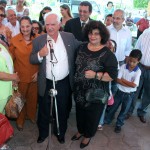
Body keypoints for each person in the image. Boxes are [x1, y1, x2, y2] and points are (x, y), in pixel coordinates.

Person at [30, 12, 81, 144]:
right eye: (47, 24)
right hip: (46, 82)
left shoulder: (69, 37)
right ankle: (43, 133)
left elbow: (81, 45)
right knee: (44, 110)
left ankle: (60, 132)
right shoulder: (38, 40)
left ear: (59, 24)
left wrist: (101, 43)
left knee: (62, 108)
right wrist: (40, 54)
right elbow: (32, 58)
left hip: (64, 82)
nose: (50, 27)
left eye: (53, 24)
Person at [71, 21, 118, 149]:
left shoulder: (107, 54)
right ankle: (80, 131)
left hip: (96, 94)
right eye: (91, 33)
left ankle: (87, 136)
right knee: (79, 113)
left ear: (102, 35)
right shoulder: (81, 48)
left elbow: (113, 76)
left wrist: (96, 75)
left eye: (96, 34)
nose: (93, 36)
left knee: (92, 117)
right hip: (80, 91)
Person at [9, 16, 39, 131]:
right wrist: (12, 76)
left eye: (27, 26)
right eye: (22, 26)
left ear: (32, 26)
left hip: (34, 76)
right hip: (20, 76)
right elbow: (10, 59)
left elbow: (44, 58)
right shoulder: (14, 40)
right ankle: (20, 120)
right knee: (20, 100)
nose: (25, 29)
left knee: (32, 99)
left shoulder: (38, 38)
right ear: (20, 27)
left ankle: (30, 116)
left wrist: (39, 73)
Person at [105, 50, 142, 133]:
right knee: (113, 107)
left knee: (124, 110)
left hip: (129, 95)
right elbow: (117, 80)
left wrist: (123, 80)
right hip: (119, 92)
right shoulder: (123, 66)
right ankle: (107, 119)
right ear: (128, 57)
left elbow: (134, 85)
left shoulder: (138, 71)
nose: (131, 63)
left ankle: (119, 124)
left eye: (134, 62)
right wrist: (128, 83)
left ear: (138, 62)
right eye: (130, 60)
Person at [126, 30, 150, 123]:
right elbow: (136, 49)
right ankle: (129, 111)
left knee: (148, 93)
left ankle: (142, 112)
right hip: (140, 67)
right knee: (135, 90)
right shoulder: (145, 34)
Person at [107, 9, 132, 95]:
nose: (115, 20)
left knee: (115, 86)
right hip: (107, 63)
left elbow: (128, 49)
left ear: (123, 20)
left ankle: (111, 106)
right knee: (107, 85)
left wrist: (126, 64)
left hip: (120, 63)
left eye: (118, 18)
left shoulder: (127, 32)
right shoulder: (106, 30)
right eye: (114, 18)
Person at [98, 39, 117, 131]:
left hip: (106, 87)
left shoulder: (114, 60)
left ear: (114, 50)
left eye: (111, 48)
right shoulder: (99, 57)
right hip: (97, 85)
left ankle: (100, 122)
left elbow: (111, 77)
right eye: (107, 47)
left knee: (103, 104)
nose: (109, 49)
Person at [0, 34, 20, 114]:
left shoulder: (2, 45)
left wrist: (13, 80)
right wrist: (13, 77)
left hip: (7, 90)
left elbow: (9, 64)